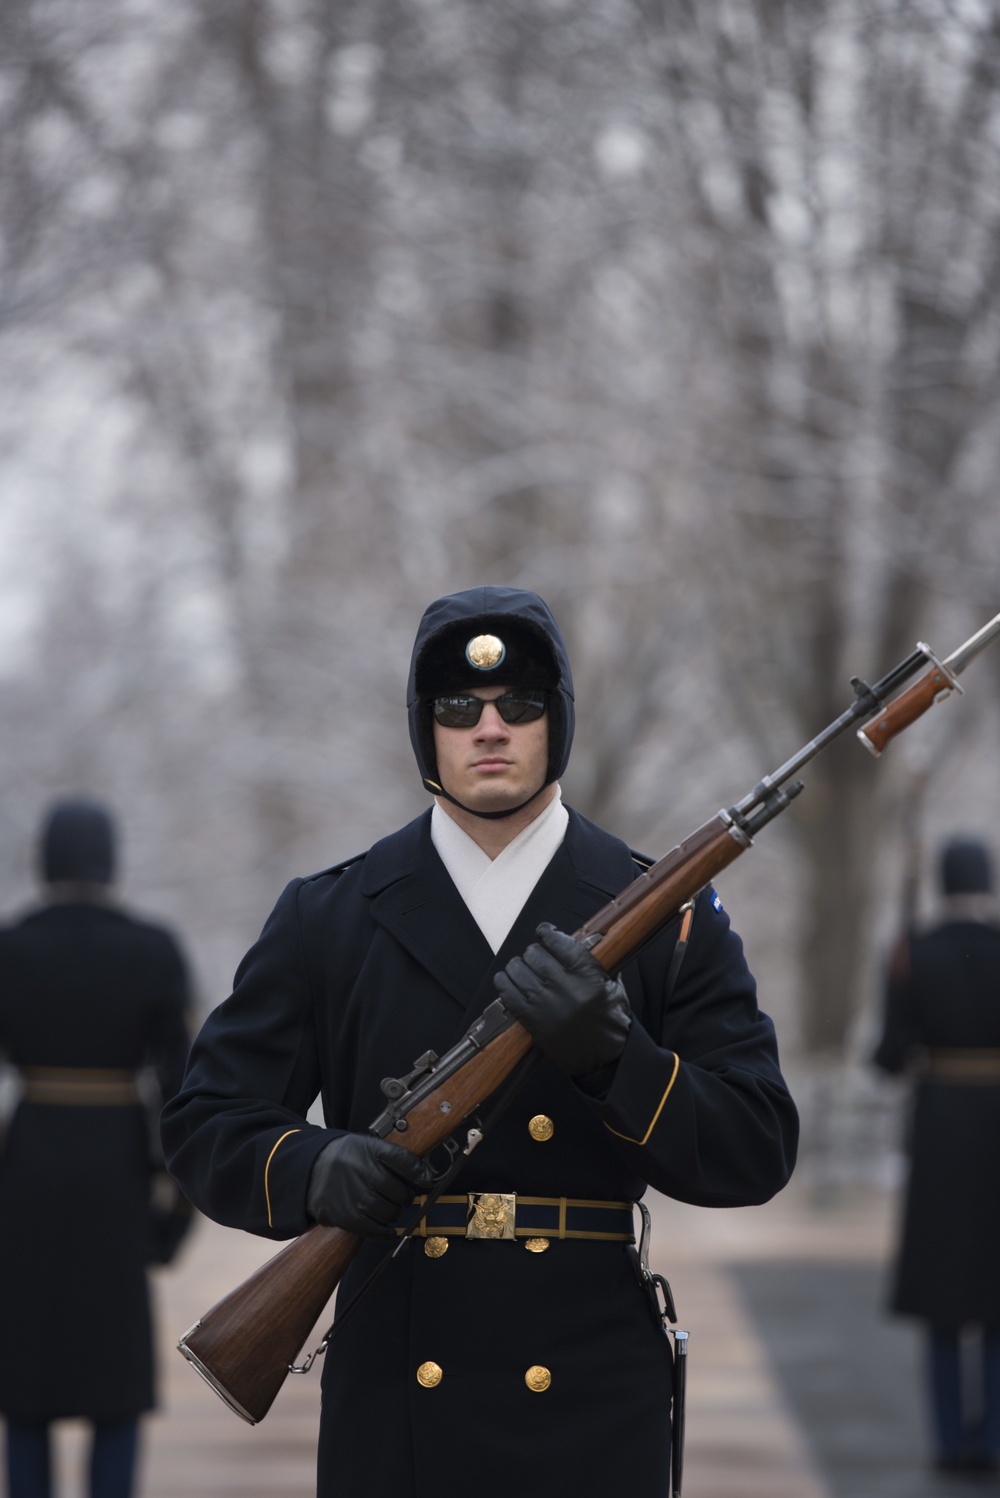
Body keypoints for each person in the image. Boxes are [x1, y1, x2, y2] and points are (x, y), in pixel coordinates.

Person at [162, 586, 798, 1496]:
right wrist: (313, 1168)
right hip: (400, 1402)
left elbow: (756, 1145)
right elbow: (204, 1123)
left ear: (558, 723)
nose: (489, 728)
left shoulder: (669, 914)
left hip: (590, 1401)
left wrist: (618, 1063)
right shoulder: (330, 914)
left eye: (520, 705)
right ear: (427, 733)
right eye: (457, 709)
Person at [0, 799, 193, 1498]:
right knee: (115, 1384)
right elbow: (185, 1089)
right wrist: (174, 1216)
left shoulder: (9, 946)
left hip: (24, 1175)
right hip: (118, 1171)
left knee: (24, 1384)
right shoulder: (151, 948)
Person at [874, 835, 1000, 1475]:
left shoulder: (913, 951)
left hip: (944, 1128)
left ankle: (953, 1444)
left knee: (947, 1294)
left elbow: (889, 1056)